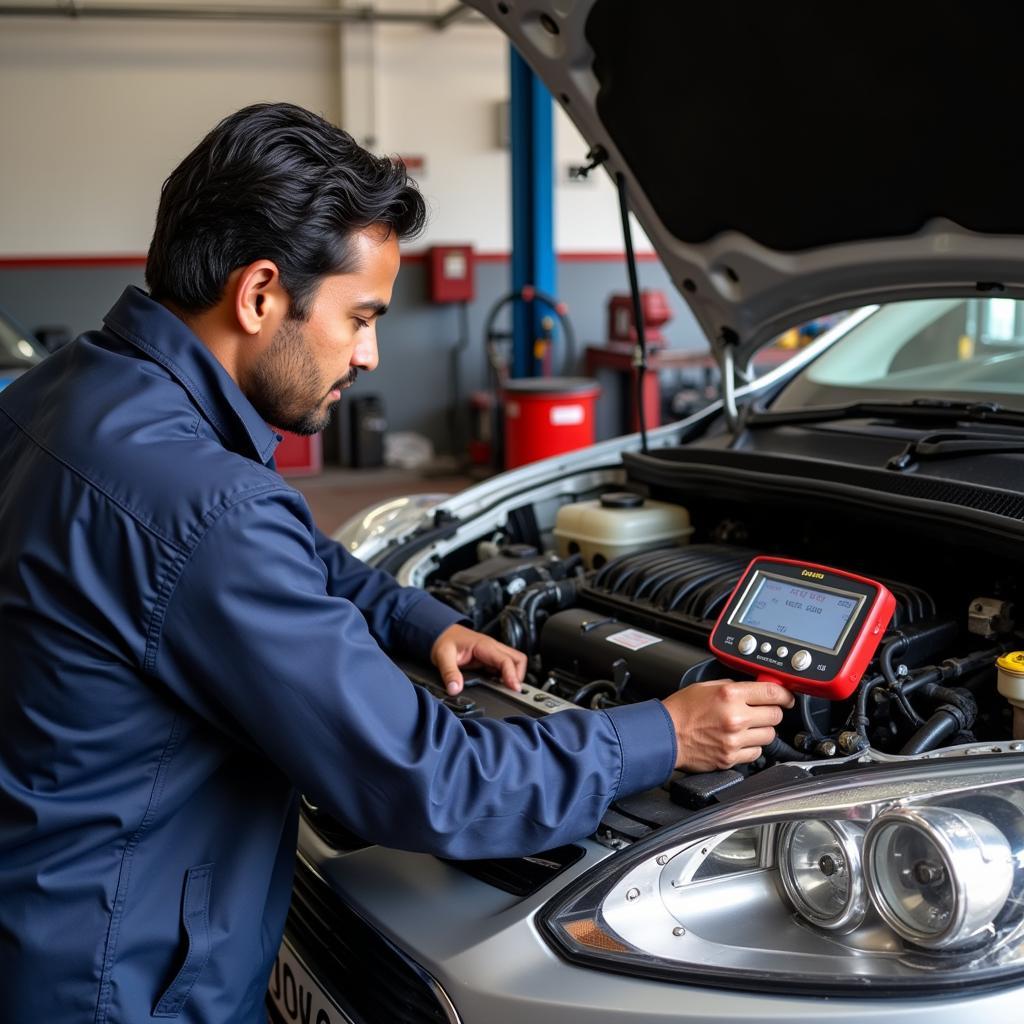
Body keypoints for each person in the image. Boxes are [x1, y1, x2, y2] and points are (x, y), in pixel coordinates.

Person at [0, 102, 794, 1023]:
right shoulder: (204, 503)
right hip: (119, 983)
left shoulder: (60, 396)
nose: (372, 354)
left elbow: (266, 558)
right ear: (259, 295)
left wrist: (421, 619)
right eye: (362, 317)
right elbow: (428, 783)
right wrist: (664, 734)